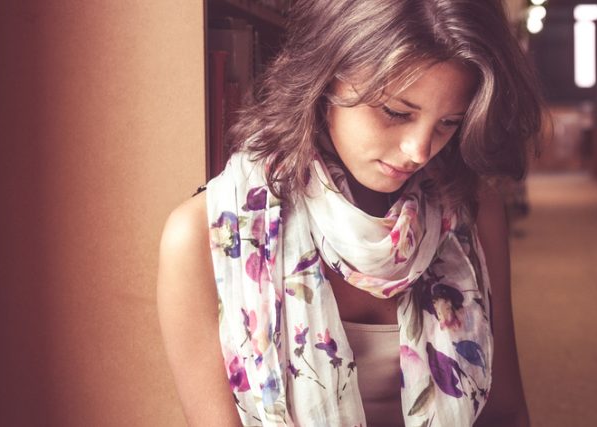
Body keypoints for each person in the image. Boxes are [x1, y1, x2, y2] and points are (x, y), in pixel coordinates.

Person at [156, 0, 541, 425]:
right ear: (326, 75)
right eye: (396, 112)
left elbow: (505, 410)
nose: (420, 150)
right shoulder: (203, 236)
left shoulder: (469, 211)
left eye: (448, 122)